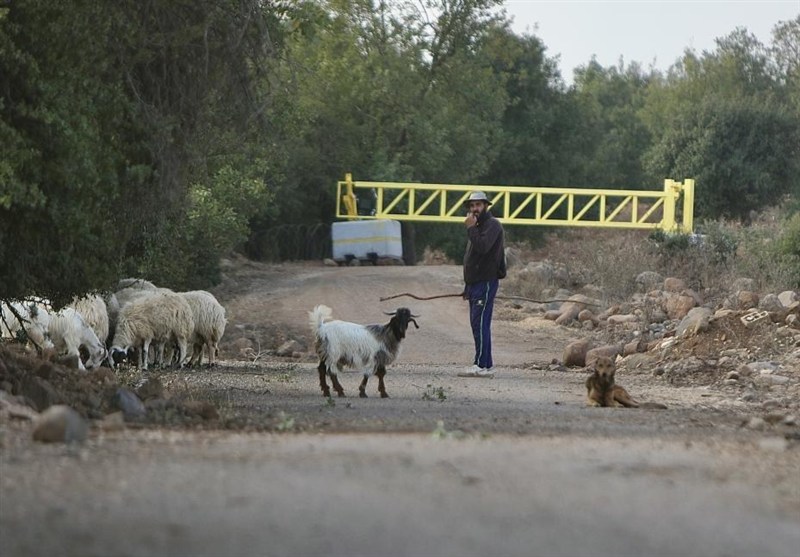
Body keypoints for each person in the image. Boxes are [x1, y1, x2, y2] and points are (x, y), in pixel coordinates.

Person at [457, 191, 505, 378]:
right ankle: (486, 364)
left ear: (486, 206)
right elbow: (473, 260)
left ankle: (480, 365)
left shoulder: (492, 225)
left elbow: (483, 247)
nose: (474, 209)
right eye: (471, 206)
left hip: (486, 283)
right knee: (476, 323)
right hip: (475, 284)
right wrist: (468, 286)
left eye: (477, 205)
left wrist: (470, 228)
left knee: (481, 324)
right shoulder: (478, 227)